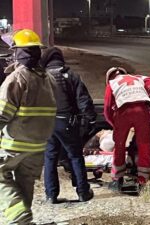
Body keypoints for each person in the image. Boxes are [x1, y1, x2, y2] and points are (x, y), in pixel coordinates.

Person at [0, 29, 57, 225]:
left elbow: (2, 113)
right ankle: (23, 221)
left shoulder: (17, 78)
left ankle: (18, 217)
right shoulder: (48, 79)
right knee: (26, 182)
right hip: (38, 145)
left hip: (16, 142)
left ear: (17, 52)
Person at [40, 47, 96, 203]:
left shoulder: (42, 77)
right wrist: (90, 120)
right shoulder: (71, 76)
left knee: (50, 158)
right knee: (75, 156)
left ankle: (51, 195)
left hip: (47, 123)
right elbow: (83, 100)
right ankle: (83, 192)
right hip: (67, 122)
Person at [104, 67, 150, 192]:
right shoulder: (138, 78)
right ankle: (143, 182)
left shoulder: (112, 84)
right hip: (142, 110)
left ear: (110, 77)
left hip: (123, 112)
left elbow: (107, 110)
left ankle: (117, 180)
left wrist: (114, 124)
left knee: (119, 145)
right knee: (144, 145)